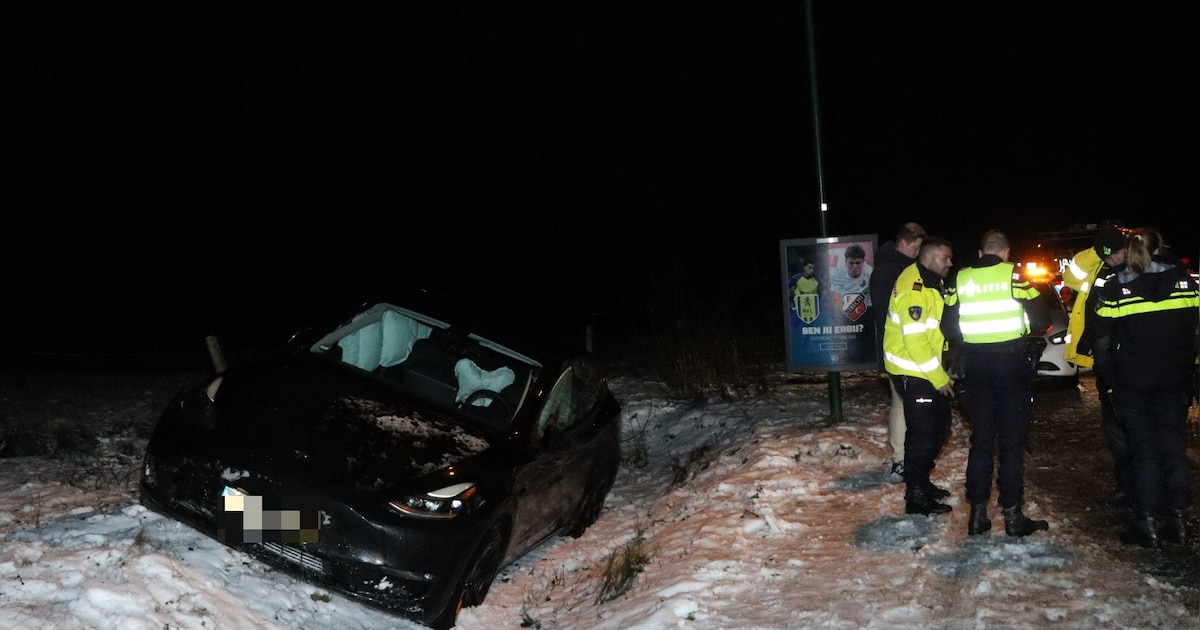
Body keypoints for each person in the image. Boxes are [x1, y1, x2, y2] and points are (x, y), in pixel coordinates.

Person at [1092, 228, 1199, 549]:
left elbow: (1102, 342)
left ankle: (1148, 524)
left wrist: (1109, 381)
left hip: (1133, 384)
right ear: (1161, 247)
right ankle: (1177, 521)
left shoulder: (1115, 288)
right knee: (1173, 448)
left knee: (1143, 453)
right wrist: (1190, 369)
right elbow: (1196, 333)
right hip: (1175, 381)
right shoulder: (1186, 285)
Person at [944, 229, 1051, 537]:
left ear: (981, 253)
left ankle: (977, 515)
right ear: (1006, 253)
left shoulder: (960, 279)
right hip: (1010, 363)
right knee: (1011, 442)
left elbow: (949, 325)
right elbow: (1042, 319)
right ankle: (1013, 515)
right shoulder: (1014, 275)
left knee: (981, 439)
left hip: (976, 364)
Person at [882, 236, 956, 515]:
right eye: (946, 258)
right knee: (923, 436)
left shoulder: (926, 280)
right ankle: (915, 497)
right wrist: (939, 378)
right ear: (930, 257)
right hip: (913, 371)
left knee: (939, 426)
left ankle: (921, 481)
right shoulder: (915, 288)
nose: (950, 263)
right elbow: (915, 342)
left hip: (921, 370)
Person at [1062, 226, 1130, 508]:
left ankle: (1146, 493)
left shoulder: (1139, 269)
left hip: (1131, 360)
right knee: (1116, 430)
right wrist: (1099, 250)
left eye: (1117, 251)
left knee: (1137, 430)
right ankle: (1128, 486)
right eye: (1108, 253)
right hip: (1107, 363)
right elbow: (1071, 276)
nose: (1113, 257)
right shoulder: (1097, 266)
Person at [869, 222, 928, 483]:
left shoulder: (895, 268)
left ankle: (907, 458)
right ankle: (901, 460)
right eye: (915, 248)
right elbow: (888, 316)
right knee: (901, 404)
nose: (917, 253)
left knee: (906, 404)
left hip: (906, 347)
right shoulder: (889, 272)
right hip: (898, 350)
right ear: (903, 244)